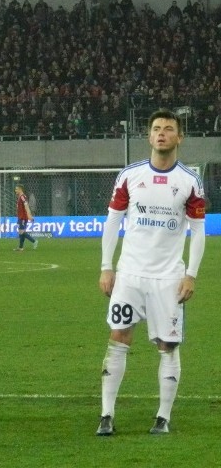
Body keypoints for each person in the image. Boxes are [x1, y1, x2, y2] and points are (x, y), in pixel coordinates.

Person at [96, 109, 206, 436]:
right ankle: (106, 415)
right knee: (118, 336)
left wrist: (191, 274)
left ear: (179, 137)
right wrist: (106, 267)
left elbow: (198, 231)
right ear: (149, 135)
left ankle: (163, 417)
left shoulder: (189, 181)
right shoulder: (129, 175)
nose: (161, 134)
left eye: (168, 129)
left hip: (168, 278)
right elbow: (113, 221)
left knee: (167, 345)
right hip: (129, 274)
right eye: (156, 128)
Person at [13, 184, 38, 251]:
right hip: (20, 217)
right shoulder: (20, 197)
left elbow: (26, 206)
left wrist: (29, 215)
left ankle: (34, 241)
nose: (15, 190)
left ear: (20, 189)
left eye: (16, 189)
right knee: (21, 232)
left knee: (21, 232)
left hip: (23, 217)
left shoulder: (22, 197)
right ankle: (21, 247)